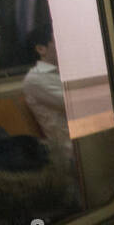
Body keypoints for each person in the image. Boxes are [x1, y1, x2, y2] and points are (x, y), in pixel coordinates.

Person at [20, 23, 76, 171]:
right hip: (72, 151)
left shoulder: (67, 71)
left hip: (93, 140)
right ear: (41, 49)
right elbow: (77, 106)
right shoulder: (35, 79)